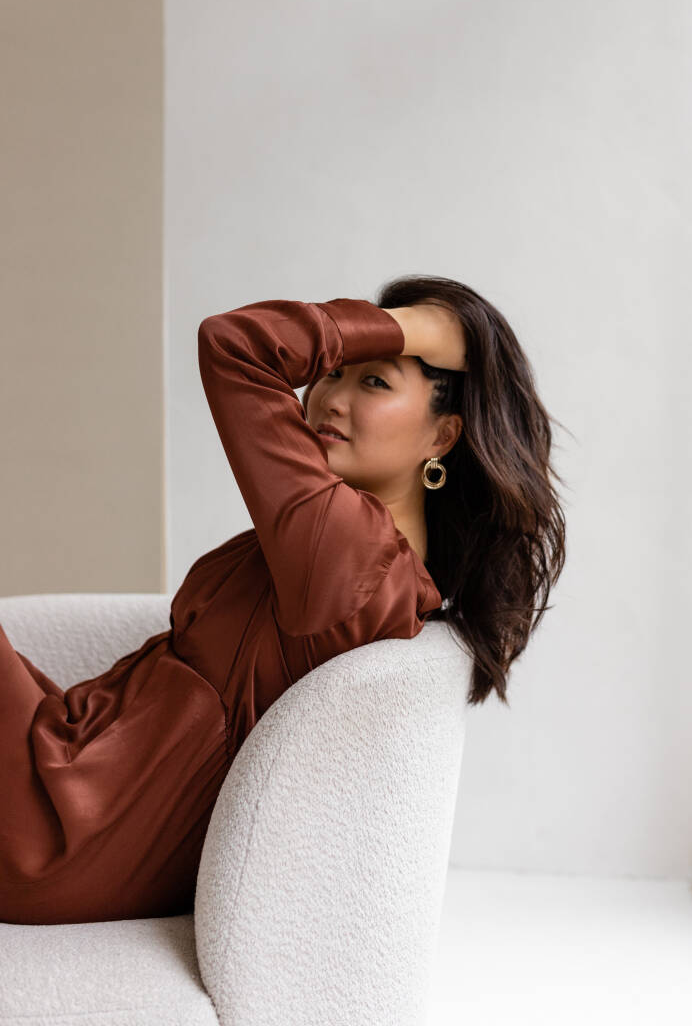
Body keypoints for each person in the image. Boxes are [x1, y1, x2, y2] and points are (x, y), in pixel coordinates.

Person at [0, 274, 567, 925]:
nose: (330, 399)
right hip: (62, 779)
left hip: (60, 835)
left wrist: (432, 327)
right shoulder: (374, 559)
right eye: (330, 374)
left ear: (442, 438)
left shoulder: (353, 554)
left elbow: (236, 345)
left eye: (374, 382)